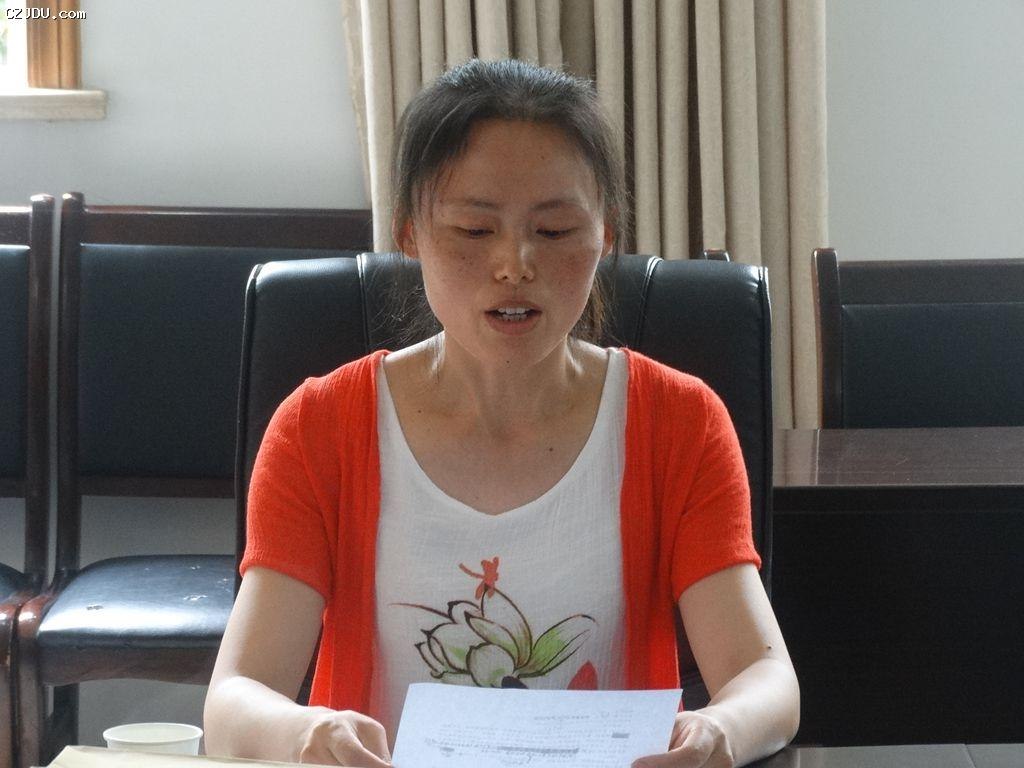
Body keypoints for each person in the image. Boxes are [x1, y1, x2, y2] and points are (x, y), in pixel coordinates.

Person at [204, 58, 799, 768]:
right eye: (474, 229)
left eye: (554, 231)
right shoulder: (320, 428)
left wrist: (720, 730)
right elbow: (235, 698)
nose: (515, 265)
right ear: (410, 233)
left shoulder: (678, 422)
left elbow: (765, 678)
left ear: (606, 235)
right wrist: (306, 735)